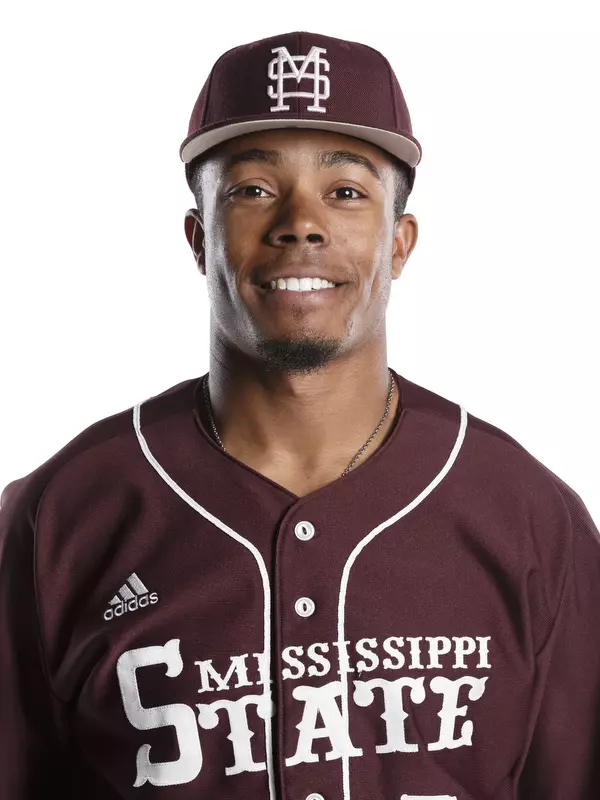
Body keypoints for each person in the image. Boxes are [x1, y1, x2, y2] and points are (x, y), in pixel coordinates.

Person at [0, 30, 598, 800]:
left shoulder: (529, 520)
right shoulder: (56, 521)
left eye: (346, 192)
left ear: (401, 242)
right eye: (251, 189)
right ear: (198, 239)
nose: (300, 223)